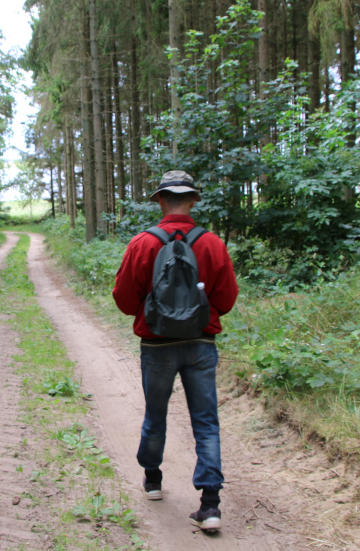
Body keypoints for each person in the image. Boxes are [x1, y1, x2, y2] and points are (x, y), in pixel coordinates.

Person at [112, 170, 239, 532]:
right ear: (193, 200)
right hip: (201, 343)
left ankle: (153, 480)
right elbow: (227, 298)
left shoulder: (143, 243)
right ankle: (210, 504)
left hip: (156, 344)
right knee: (206, 422)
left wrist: (153, 312)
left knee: (155, 414)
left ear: (160, 200)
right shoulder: (212, 243)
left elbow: (123, 300)